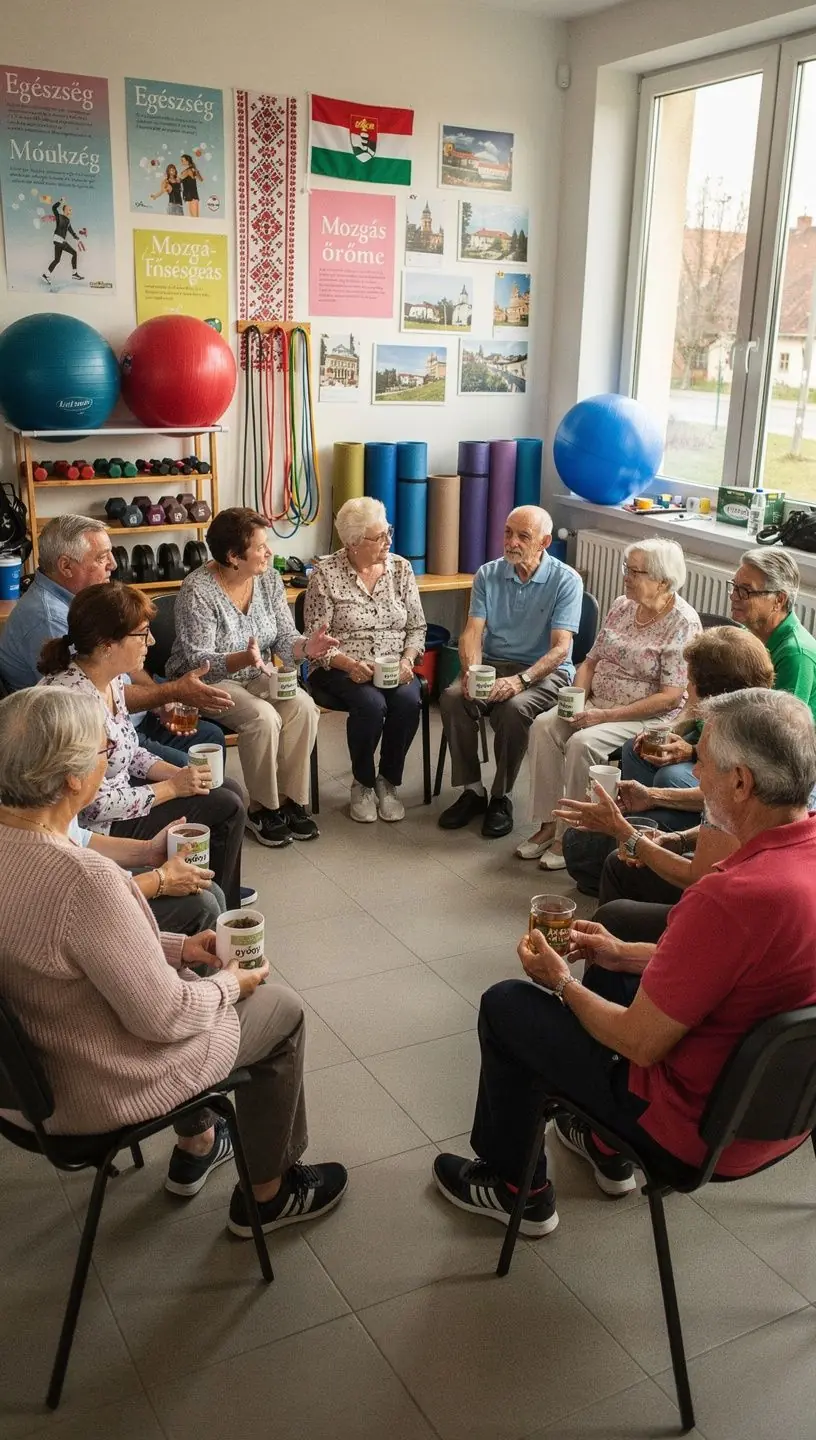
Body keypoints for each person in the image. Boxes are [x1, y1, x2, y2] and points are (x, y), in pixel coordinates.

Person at [434, 688, 816, 1236]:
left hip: (697, 1134)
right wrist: (619, 953)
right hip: (783, 1118)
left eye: (704, 762)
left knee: (507, 1005)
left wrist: (561, 982)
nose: (695, 774)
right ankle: (604, 1145)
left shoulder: (731, 897)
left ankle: (517, 1189)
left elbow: (640, 1043)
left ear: (740, 782)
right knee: (614, 954)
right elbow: (731, 973)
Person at [0, 686, 347, 1228]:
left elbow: (70, 948)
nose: (109, 761)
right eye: (102, 751)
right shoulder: (84, 879)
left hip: (23, 1086)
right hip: (95, 1086)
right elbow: (165, 1018)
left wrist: (180, 947)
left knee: (193, 951)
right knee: (282, 1010)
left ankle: (200, 1138)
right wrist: (230, 984)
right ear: (71, 779)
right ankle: (268, 1195)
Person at [38, 583, 247, 911]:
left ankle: (212, 890)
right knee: (227, 804)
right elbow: (91, 806)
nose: (151, 642)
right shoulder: (77, 703)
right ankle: (215, 902)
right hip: (99, 824)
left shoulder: (108, 679)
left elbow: (129, 749)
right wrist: (172, 788)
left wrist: (178, 774)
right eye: (142, 633)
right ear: (108, 644)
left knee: (224, 787)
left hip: (119, 796)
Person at [519, 538, 700, 870]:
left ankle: (572, 834)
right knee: (544, 726)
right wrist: (578, 699)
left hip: (646, 716)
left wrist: (603, 716)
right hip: (596, 703)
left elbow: (671, 695)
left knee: (581, 743)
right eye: (626, 569)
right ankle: (548, 823)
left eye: (635, 572)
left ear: (663, 581)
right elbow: (590, 661)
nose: (626, 577)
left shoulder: (682, 622)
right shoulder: (622, 605)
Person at [0, 514, 232, 766]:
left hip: (128, 718)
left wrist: (159, 702)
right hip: (100, 739)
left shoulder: (86, 601)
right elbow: (94, 703)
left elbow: (127, 664)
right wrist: (168, 693)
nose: (113, 564)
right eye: (102, 557)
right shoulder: (49, 619)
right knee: (195, 770)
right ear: (66, 566)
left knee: (211, 737)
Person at [560, 626, 776, 895]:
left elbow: (701, 877)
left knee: (593, 852)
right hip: (732, 864)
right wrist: (657, 807)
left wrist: (626, 833)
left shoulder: (735, 752)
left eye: (689, 681)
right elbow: (717, 822)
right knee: (588, 841)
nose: (686, 688)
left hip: (733, 891)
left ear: (712, 694)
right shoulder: (754, 724)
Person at [167, 508, 336, 848]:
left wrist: (307, 647)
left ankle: (290, 801)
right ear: (233, 556)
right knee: (262, 717)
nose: (269, 552)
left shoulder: (269, 579)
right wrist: (244, 657)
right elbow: (198, 661)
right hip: (206, 682)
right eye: (260, 547)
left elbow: (284, 637)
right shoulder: (197, 589)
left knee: (303, 706)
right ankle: (262, 809)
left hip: (257, 673)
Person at [438, 506, 583, 840]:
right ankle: (473, 791)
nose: (511, 542)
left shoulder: (566, 580)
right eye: (508, 532)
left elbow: (561, 649)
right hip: (495, 663)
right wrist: (471, 670)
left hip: (545, 670)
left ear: (544, 542)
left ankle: (500, 797)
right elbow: (472, 631)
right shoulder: (488, 574)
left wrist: (521, 681)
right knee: (453, 697)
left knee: (514, 709)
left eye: (523, 536)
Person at [304, 497, 426, 823]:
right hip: (338, 666)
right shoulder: (325, 574)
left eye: (388, 532)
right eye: (379, 537)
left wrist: (408, 661)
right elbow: (315, 642)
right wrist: (350, 665)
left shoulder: (401, 568)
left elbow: (417, 627)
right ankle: (363, 783)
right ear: (353, 543)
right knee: (371, 704)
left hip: (393, 664)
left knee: (408, 701)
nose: (388, 541)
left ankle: (388, 781)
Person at [729, 547, 816, 718]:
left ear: (779, 600)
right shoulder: (749, 633)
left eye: (745, 591)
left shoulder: (796, 655)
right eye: (734, 587)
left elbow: (780, 727)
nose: (734, 597)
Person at [42, 198, 82, 283]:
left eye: (71, 210)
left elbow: (71, 231)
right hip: (59, 239)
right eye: (69, 209)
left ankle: (46, 275)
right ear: (65, 210)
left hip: (58, 241)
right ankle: (74, 274)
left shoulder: (68, 221)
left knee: (57, 260)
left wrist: (76, 237)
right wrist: (60, 201)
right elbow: (54, 207)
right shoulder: (59, 216)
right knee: (74, 253)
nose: (70, 211)